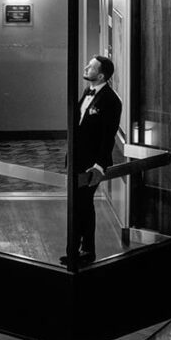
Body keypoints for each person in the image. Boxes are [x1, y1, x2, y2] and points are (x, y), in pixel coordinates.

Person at [62, 54, 122, 268]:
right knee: (80, 205)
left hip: (91, 164)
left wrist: (99, 165)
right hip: (77, 159)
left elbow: (108, 136)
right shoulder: (88, 91)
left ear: (102, 75)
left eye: (91, 66)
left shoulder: (111, 101)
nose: (86, 67)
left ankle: (82, 251)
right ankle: (80, 249)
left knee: (83, 205)